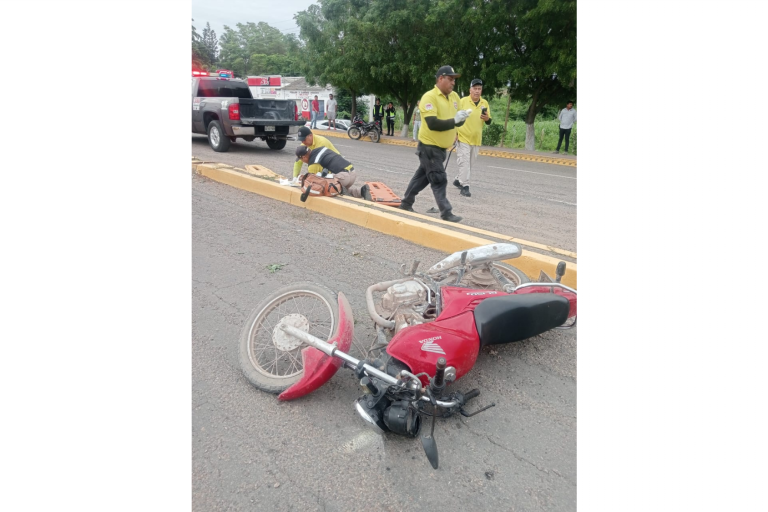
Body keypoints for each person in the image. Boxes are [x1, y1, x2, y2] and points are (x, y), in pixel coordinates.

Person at [399, 65, 470, 223]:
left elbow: (456, 123)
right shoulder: (429, 97)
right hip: (429, 147)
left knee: (422, 177)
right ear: (440, 78)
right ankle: (446, 212)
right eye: (450, 79)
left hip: (441, 149)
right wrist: (455, 121)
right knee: (438, 178)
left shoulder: (455, 98)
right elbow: (432, 123)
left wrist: (462, 118)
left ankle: (406, 203)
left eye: (454, 80)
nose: (453, 83)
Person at [453, 78, 492, 198]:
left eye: (479, 89)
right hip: (463, 137)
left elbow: (489, 121)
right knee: (464, 163)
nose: (477, 91)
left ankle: (458, 179)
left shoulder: (484, 103)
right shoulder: (463, 101)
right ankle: (465, 187)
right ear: (470, 90)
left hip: (476, 139)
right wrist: (454, 133)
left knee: (470, 164)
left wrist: (486, 119)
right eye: (475, 88)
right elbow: (455, 118)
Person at [295, 145, 363, 197]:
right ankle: (361, 192)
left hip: (343, 176)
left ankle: (340, 191)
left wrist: (301, 181)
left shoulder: (313, 162)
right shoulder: (320, 149)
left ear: (304, 157)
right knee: (335, 186)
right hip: (352, 173)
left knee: (323, 187)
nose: (303, 161)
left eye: (301, 159)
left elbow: (314, 181)